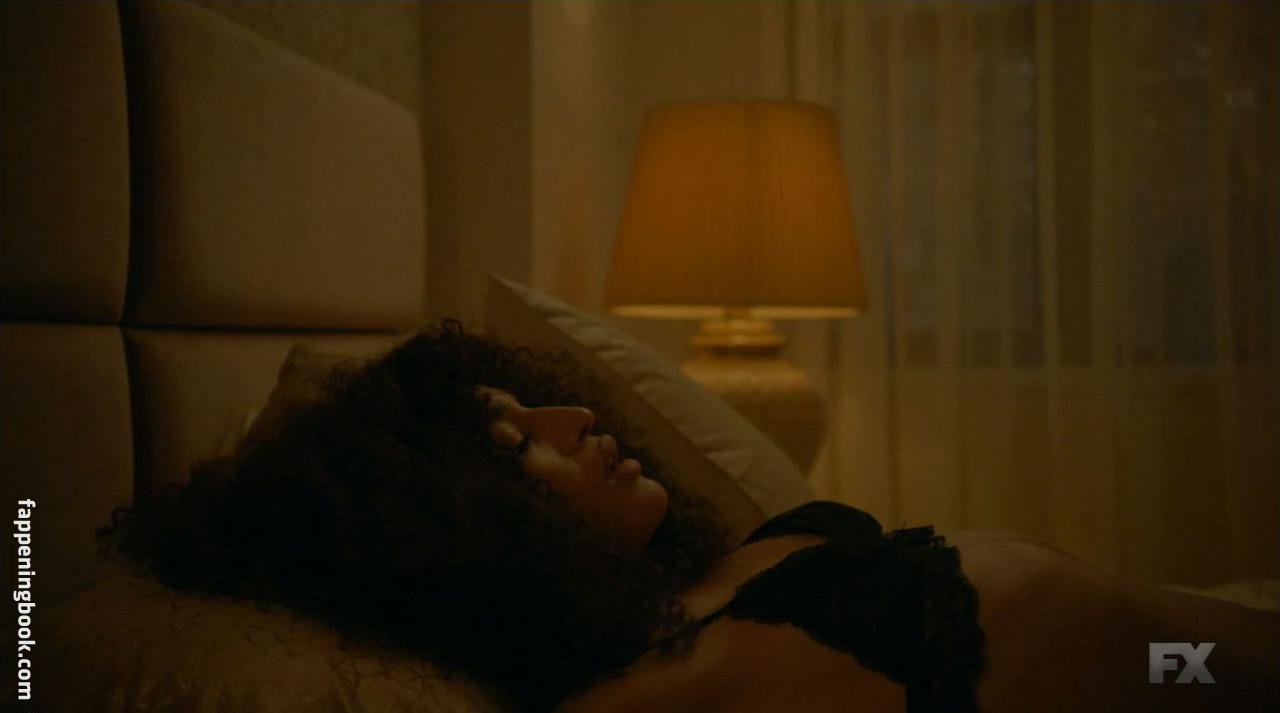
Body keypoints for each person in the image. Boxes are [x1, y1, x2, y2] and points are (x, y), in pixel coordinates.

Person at [104, 320, 1279, 713]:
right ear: (452, 532)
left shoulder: (684, 597)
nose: (574, 413)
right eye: (517, 441)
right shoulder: (657, 686)